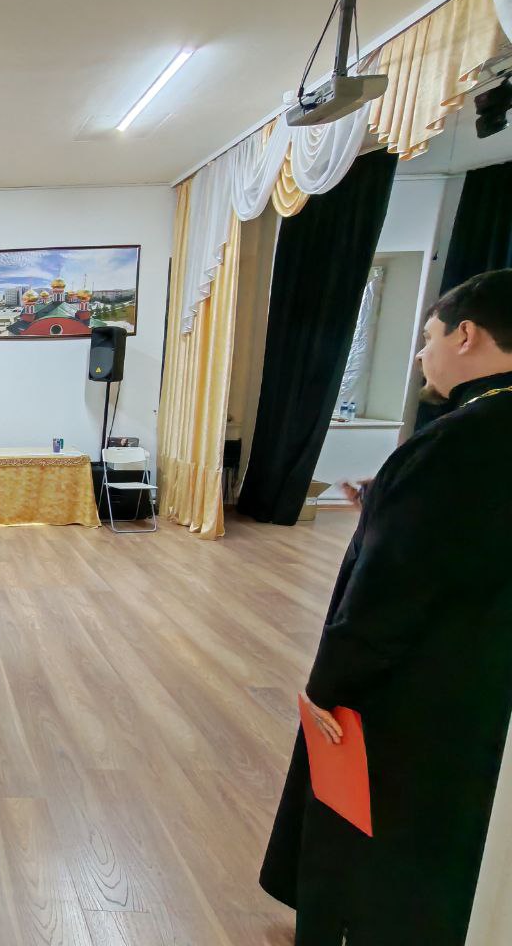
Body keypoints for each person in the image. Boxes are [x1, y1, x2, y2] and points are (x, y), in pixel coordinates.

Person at [259, 270, 512, 946]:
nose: (423, 354)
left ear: (466, 335)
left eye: (429, 337)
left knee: (371, 814)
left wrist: (327, 687)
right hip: (487, 676)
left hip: (419, 684)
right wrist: (386, 502)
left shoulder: (455, 442)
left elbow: (392, 591)